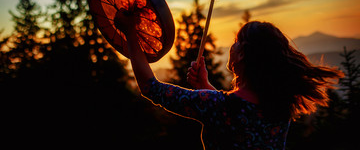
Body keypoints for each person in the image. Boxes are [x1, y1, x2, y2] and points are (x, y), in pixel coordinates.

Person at [119, 15, 344, 150]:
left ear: (244, 54)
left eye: (236, 42)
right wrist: (207, 87)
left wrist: (130, 30)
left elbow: (151, 88)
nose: (232, 46)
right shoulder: (279, 105)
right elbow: (236, 119)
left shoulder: (216, 105)